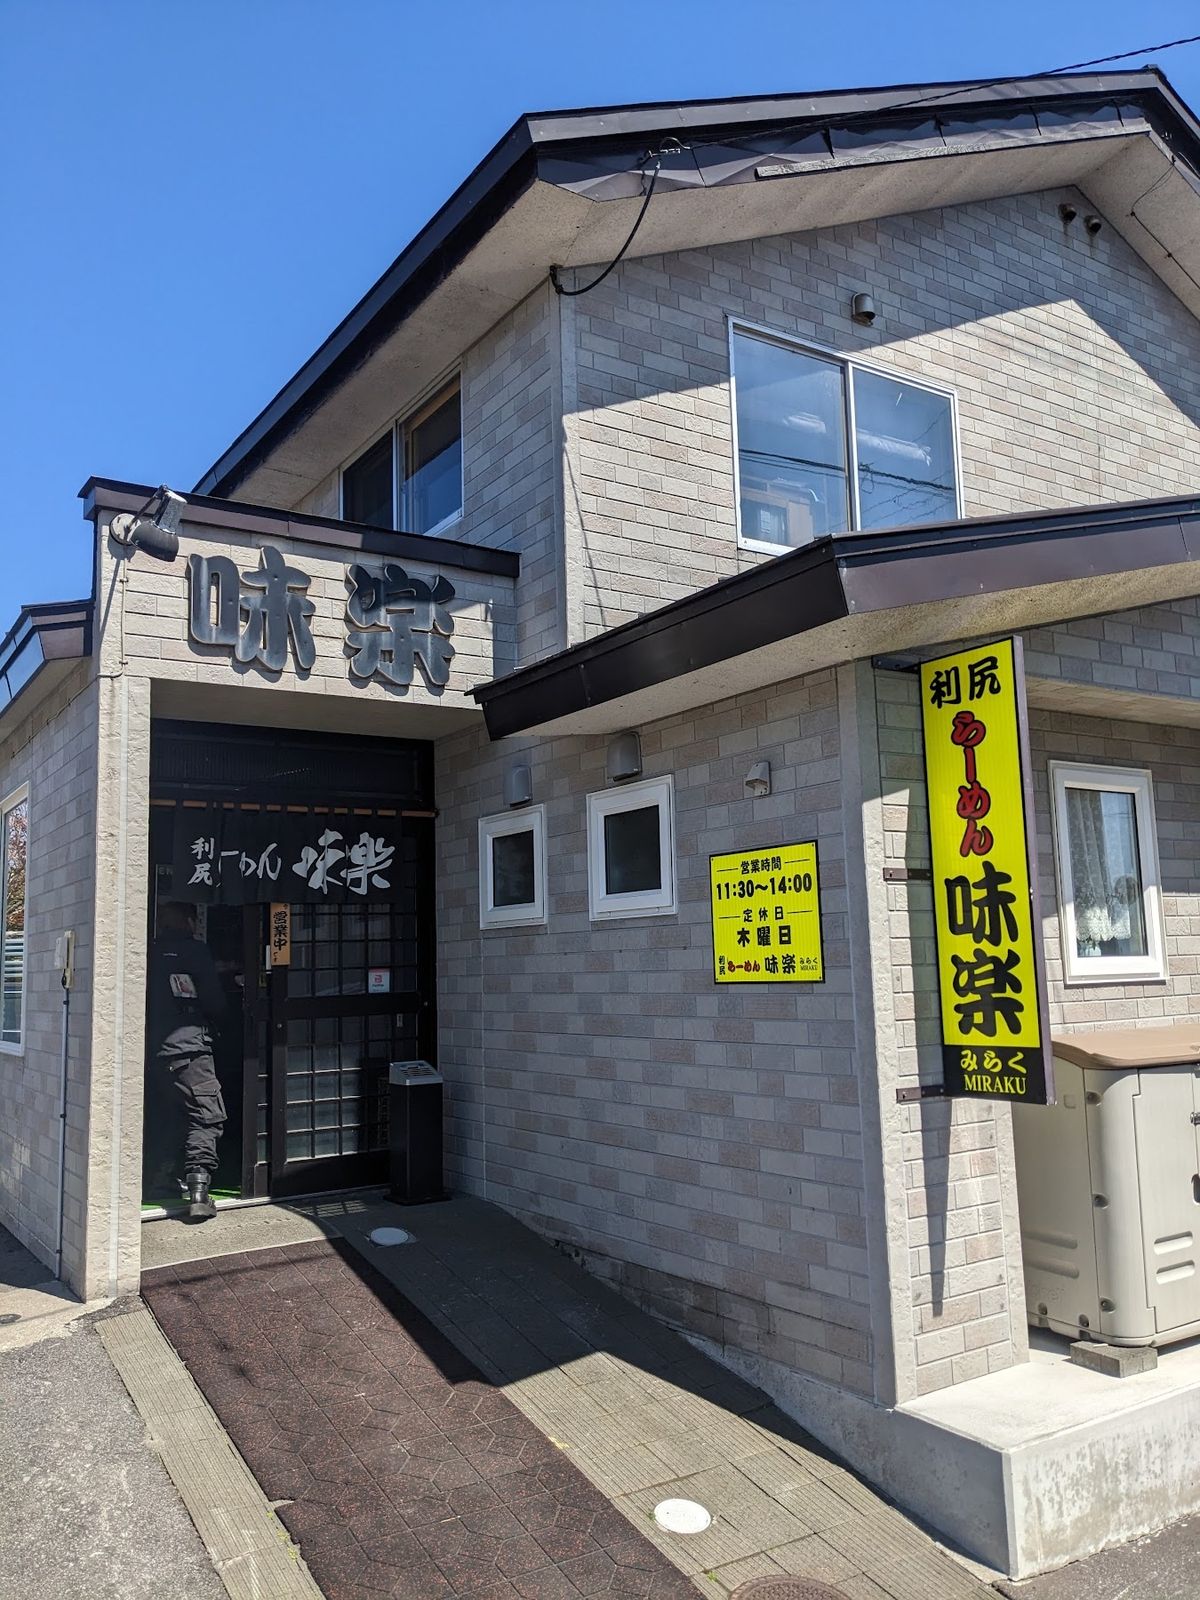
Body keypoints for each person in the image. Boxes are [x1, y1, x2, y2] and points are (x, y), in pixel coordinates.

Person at [146, 901, 226, 1221]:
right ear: (192, 921)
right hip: (190, 1049)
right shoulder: (195, 952)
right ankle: (199, 1192)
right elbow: (215, 1000)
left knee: (171, 1117)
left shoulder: (148, 951)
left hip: (154, 1051)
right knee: (207, 1115)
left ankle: (160, 1180)